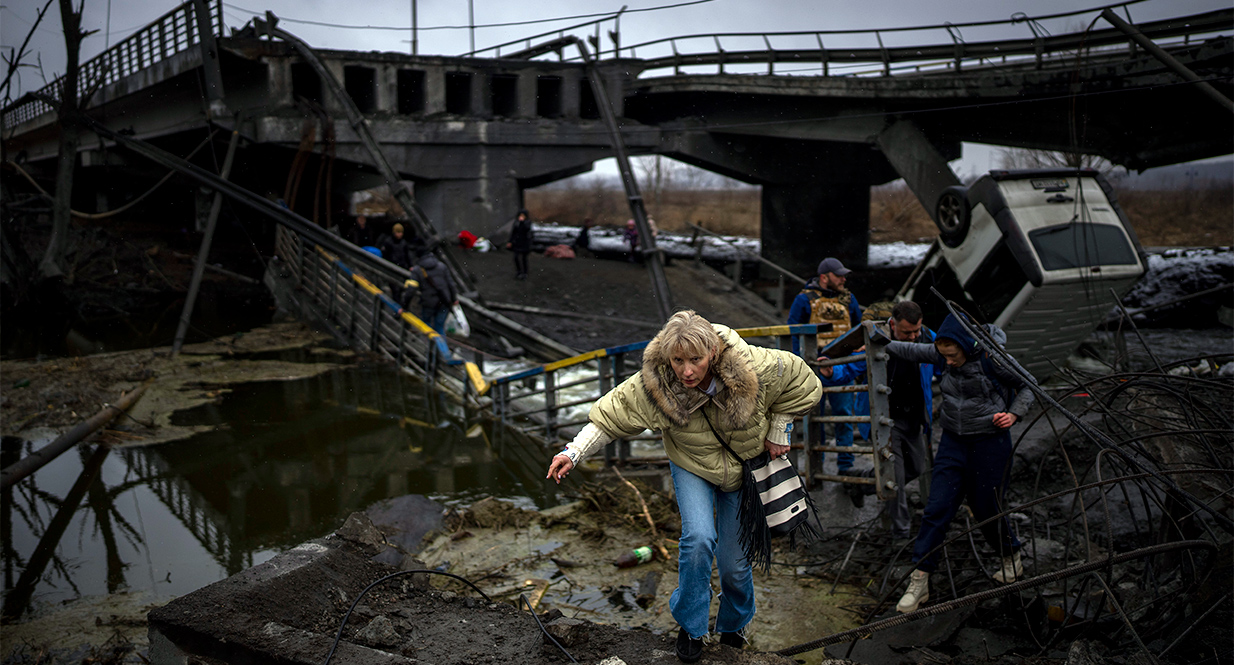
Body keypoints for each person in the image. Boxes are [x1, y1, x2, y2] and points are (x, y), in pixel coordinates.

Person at [545, 311, 822, 662]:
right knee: (699, 539)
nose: (686, 371)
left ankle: (734, 625)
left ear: (713, 353)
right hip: (692, 464)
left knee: (734, 564)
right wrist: (574, 451)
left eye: (695, 360)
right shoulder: (655, 380)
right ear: (667, 357)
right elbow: (613, 413)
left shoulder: (753, 363)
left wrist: (780, 427)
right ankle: (692, 626)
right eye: (678, 361)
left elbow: (804, 381)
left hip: (742, 469)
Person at [883, 312, 1035, 613]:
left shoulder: (994, 358)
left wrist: (1014, 414)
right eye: (944, 357)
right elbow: (908, 349)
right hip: (954, 440)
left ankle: (1010, 556)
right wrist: (875, 342)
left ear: (968, 346)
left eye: (953, 357)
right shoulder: (942, 352)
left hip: (990, 441)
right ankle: (920, 580)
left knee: (986, 507)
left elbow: (1029, 384)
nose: (947, 363)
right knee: (937, 507)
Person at [820, 301, 938, 533]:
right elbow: (853, 366)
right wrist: (832, 371)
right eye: (907, 332)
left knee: (915, 467)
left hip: (914, 416)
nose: (913, 337)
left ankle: (861, 484)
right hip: (885, 418)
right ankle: (900, 532)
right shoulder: (876, 339)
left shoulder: (928, 336)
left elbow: (947, 357)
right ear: (893, 324)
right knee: (895, 475)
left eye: (916, 331)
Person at [786, 257, 862, 476]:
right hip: (813, 367)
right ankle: (815, 465)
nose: (843, 279)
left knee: (844, 416)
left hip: (841, 367)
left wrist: (857, 352)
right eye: (838, 276)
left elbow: (857, 328)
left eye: (843, 275)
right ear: (824, 277)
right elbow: (793, 333)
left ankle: (845, 466)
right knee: (814, 418)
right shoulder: (804, 300)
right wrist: (799, 365)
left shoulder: (849, 299)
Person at [404, 245, 457, 335]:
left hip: (428, 302)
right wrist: (454, 299)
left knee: (426, 325)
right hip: (444, 300)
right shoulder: (441, 266)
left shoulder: (417, 270)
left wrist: (404, 305)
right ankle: (441, 347)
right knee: (439, 327)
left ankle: (428, 347)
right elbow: (451, 284)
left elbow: (411, 289)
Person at [507, 209, 533, 280]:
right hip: (517, 242)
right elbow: (513, 232)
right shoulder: (516, 223)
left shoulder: (527, 223)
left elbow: (527, 230)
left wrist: (522, 223)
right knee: (516, 257)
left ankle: (525, 273)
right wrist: (510, 241)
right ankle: (519, 271)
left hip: (525, 243)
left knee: (524, 258)